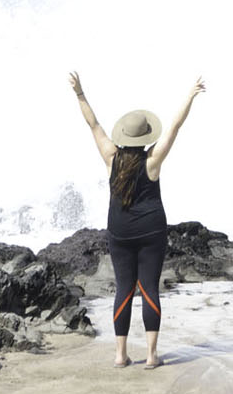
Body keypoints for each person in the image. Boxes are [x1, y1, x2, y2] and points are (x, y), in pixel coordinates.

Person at [68, 71, 205, 368]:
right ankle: (152, 356)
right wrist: (190, 95)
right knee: (150, 289)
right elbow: (175, 127)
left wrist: (80, 93)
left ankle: (120, 355)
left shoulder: (110, 157)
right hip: (152, 231)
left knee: (124, 290)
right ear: (145, 138)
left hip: (119, 232)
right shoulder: (152, 161)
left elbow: (93, 124)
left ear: (124, 137)